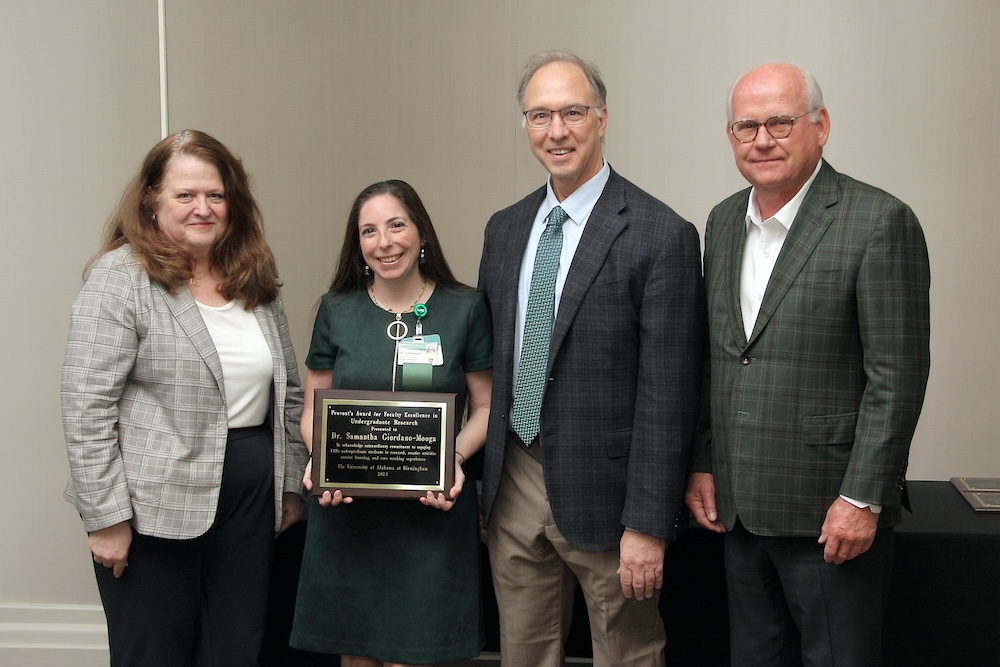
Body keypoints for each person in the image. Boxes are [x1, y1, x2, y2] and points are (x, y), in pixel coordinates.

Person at [685, 63, 931, 666]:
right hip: (739, 512)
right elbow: (718, 357)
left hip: (830, 515)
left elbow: (895, 378)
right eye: (746, 126)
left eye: (780, 122)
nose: (762, 139)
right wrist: (703, 461)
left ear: (820, 126)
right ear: (730, 137)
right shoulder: (721, 222)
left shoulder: (878, 222)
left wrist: (863, 498)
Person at [477, 50, 704, 666]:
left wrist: (648, 523)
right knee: (522, 653)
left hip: (612, 498)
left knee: (626, 655)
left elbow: (669, 393)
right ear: (525, 125)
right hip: (514, 481)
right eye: (540, 115)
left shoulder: (662, 236)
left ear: (602, 117)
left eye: (573, 112)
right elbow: (489, 366)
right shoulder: (505, 230)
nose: (557, 131)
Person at [61, 129, 308, 666]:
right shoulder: (120, 278)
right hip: (152, 510)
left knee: (236, 650)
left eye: (215, 195)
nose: (204, 208)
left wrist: (289, 486)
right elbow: (86, 406)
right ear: (152, 201)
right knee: (153, 653)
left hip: (250, 502)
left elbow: (288, 392)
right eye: (186, 195)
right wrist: (104, 517)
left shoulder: (253, 277)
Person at [289, 180, 493, 666]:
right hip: (350, 518)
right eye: (369, 231)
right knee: (356, 658)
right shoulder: (336, 310)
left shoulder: (465, 308)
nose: (385, 242)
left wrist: (454, 458)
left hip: (432, 518)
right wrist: (324, 460)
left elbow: (487, 407)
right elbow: (313, 412)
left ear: (421, 231)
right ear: (357, 245)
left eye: (396, 224)